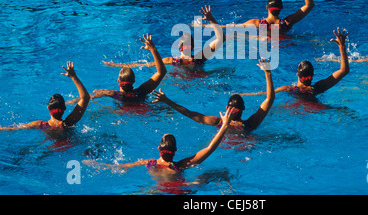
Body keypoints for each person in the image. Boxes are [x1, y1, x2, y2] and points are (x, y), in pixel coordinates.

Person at [83, 107, 233, 172]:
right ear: (175, 152)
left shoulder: (150, 163)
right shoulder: (181, 165)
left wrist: (97, 164)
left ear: (158, 149)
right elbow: (210, 149)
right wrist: (224, 125)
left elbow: (120, 167)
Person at [150, 59, 275, 131]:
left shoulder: (218, 122)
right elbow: (269, 99)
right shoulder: (251, 124)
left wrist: (168, 101)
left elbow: (191, 114)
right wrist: (268, 73)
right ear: (243, 110)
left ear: (226, 109)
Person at [241, 28, 349, 100]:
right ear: (313, 75)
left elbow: (266, 94)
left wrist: (242, 94)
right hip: (317, 108)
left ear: (297, 74)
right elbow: (344, 71)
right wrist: (342, 46)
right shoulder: (318, 88)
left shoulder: (289, 89)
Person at [102, 5, 224, 68]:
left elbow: (145, 65)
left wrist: (118, 65)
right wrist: (212, 20)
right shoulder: (200, 58)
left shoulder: (172, 61)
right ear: (192, 47)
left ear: (179, 47)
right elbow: (221, 38)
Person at [0, 61, 90, 131]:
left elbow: (14, 128)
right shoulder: (69, 123)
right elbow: (85, 98)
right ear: (64, 108)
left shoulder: (40, 124)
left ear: (48, 108)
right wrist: (73, 77)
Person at [86, 34, 166, 103]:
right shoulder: (142, 91)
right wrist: (153, 49)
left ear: (118, 80)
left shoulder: (112, 93)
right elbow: (161, 72)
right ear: (134, 81)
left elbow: (88, 97)